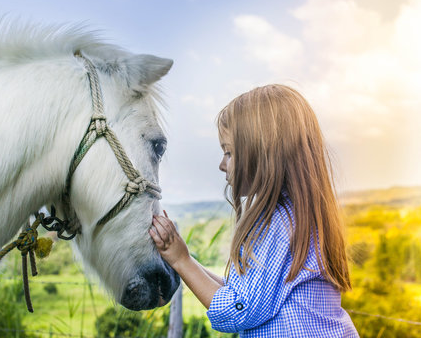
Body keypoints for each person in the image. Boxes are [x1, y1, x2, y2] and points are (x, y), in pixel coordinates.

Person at [149, 84, 359, 337]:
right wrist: (182, 257)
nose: (221, 165)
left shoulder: (276, 223)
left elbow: (238, 310)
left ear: (263, 154)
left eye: (229, 152)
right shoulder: (297, 219)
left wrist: (181, 260)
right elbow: (246, 296)